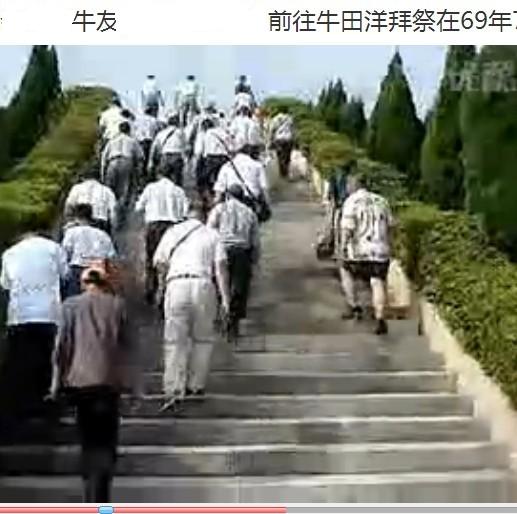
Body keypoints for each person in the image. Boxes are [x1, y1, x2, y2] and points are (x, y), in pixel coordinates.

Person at [49, 267, 141, 502]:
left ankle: (90, 496)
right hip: (109, 384)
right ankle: (101, 501)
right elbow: (129, 349)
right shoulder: (118, 305)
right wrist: (134, 388)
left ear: (83, 283)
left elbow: (61, 347)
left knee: (88, 442)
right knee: (106, 443)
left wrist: (55, 384)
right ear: (105, 283)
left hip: (80, 384)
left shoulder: (70, 306)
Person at [153, 200, 230, 412]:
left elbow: (160, 262)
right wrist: (225, 299)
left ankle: (174, 388)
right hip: (203, 284)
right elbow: (220, 267)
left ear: (186, 213)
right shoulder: (212, 235)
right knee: (202, 338)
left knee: (174, 340)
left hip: (176, 283)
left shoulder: (172, 232)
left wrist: (161, 288)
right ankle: (196, 386)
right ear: (205, 215)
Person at [0, 231, 68, 435]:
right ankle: (46, 404)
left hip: (19, 314)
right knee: (49, 359)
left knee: (20, 361)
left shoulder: (10, 253)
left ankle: (22, 407)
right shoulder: (54, 248)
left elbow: (5, 284)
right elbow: (65, 275)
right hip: (49, 312)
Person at [338, 173, 394, 335]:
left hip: (359, 251)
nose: (347, 188)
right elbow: (391, 226)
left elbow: (348, 228)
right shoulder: (381, 200)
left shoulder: (351, 202)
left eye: (348, 185)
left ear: (354, 185)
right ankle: (380, 318)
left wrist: (342, 248)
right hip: (381, 250)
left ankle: (353, 306)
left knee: (345, 269)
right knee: (377, 282)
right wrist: (389, 245)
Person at [207, 184, 260, 341]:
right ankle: (233, 321)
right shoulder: (249, 212)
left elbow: (209, 231)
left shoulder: (219, 209)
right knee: (239, 287)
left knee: (220, 284)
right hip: (241, 252)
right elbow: (255, 240)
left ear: (228, 195)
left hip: (222, 249)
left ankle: (221, 313)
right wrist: (255, 258)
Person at [135, 166, 190, 305]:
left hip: (153, 226)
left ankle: (150, 289)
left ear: (159, 174)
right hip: (172, 228)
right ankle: (167, 291)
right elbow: (185, 213)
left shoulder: (150, 188)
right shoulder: (178, 190)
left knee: (151, 259)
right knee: (171, 260)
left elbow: (138, 207)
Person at [61, 204, 117, 299]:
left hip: (77, 270)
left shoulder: (71, 232)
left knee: (74, 300)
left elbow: (65, 252)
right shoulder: (102, 234)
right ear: (91, 216)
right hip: (98, 270)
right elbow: (111, 256)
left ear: (76, 217)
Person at [213, 137, 270, 219]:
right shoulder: (257, 165)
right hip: (251, 202)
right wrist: (267, 205)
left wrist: (215, 209)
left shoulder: (227, 166)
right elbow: (264, 189)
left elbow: (219, 192)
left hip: (231, 204)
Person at [101, 121, 145, 225]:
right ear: (129, 130)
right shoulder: (133, 141)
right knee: (124, 191)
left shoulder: (112, 141)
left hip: (112, 163)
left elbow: (104, 159)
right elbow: (140, 157)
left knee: (110, 191)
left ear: (119, 130)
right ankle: (121, 217)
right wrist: (139, 175)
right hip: (127, 162)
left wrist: (102, 174)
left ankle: (109, 215)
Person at [64, 167, 117, 235]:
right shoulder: (107, 191)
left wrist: (69, 221)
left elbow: (68, 206)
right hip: (100, 224)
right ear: (99, 179)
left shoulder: (77, 188)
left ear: (83, 178)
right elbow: (113, 213)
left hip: (81, 222)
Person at [194, 117, 231, 209]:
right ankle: (223, 199)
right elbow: (230, 146)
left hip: (211, 159)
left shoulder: (205, 134)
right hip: (224, 158)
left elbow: (200, 151)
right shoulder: (222, 132)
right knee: (223, 180)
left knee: (204, 181)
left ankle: (209, 200)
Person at [148, 112, 186, 187]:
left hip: (164, 156)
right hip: (177, 156)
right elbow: (184, 145)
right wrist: (184, 158)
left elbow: (154, 148)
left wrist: (151, 161)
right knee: (177, 181)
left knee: (164, 179)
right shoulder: (180, 132)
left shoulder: (161, 133)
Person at [134, 106, 162, 177]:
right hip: (150, 142)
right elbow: (157, 130)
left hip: (140, 142)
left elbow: (135, 129)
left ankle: (141, 176)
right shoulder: (153, 120)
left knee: (141, 160)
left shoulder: (138, 119)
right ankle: (149, 175)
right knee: (150, 159)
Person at [269, 108, 295, 179]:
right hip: (289, 139)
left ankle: (282, 172)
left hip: (279, 139)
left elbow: (272, 130)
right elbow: (293, 130)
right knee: (287, 156)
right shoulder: (290, 118)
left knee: (280, 156)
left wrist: (270, 140)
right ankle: (286, 171)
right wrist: (294, 139)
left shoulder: (275, 119)